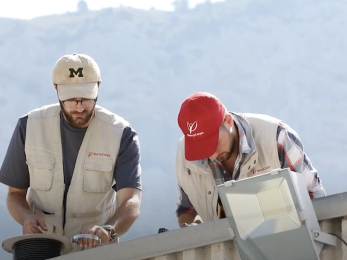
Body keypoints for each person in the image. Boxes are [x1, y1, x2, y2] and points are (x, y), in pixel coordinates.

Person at [0, 53, 142, 251]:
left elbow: (131, 200)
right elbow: (15, 194)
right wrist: (26, 217)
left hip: (96, 250)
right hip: (42, 247)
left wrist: (109, 230)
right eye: (71, 100)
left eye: (86, 99)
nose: (79, 107)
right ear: (56, 89)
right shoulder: (29, 126)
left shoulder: (121, 134)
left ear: (98, 87)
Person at [175, 92, 325, 227]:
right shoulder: (185, 155)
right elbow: (187, 211)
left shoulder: (276, 138)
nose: (212, 156)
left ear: (227, 121)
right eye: (202, 148)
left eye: (213, 143)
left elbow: (314, 199)